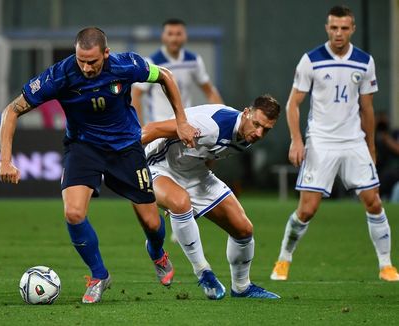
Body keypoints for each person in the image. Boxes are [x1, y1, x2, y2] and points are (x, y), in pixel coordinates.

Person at [0, 27, 199, 304]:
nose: (86, 67)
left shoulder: (125, 65)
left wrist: (181, 121)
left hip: (126, 148)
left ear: (106, 53)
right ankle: (99, 275)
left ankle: (157, 251)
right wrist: (5, 160)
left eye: (92, 61)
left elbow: (165, 76)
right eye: (81, 59)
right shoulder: (60, 75)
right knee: (73, 212)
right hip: (83, 148)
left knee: (153, 223)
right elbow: (12, 110)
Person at [270, 5, 399, 282]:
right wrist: (296, 140)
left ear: (352, 29)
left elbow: (367, 109)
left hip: (353, 141)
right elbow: (294, 103)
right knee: (307, 209)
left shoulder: (364, 62)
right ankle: (284, 258)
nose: (338, 33)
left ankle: (386, 265)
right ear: (327, 28)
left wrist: (371, 147)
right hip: (321, 142)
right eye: (334, 28)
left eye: (344, 28)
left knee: (374, 202)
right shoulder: (311, 60)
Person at [142, 94, 281, 299]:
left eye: (266, 129)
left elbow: (209, 152)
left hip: (194, 172)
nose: (259, 133)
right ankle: (203, 272)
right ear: (246, 113)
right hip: (157, 165)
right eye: (257, 124)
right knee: (180, 202)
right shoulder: (210, 125)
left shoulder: (248, 135)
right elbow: (151, 129)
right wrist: (122, 160)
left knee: (243, 229)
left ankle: (242, 287)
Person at [131, 18, 223, 125]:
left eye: (178, 34)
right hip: (159, 126)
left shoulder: (194, 61)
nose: (174, 38)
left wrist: (225, 116)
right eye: (170, 34)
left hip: (185, 125)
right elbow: (136, 94)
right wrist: (140, 127)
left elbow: (210, 91)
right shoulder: (152, 63)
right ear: (163, 36)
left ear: (185, 36)